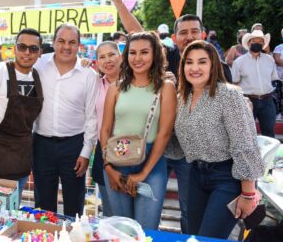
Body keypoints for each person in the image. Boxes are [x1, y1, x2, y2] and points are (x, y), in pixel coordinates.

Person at [175, 40, 263, 238]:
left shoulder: (229, 95)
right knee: (194, 236)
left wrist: (248, 193)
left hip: (227, 177)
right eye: (189, 62)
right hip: (196, 175)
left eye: (202, 62)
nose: (194, 68)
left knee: (209, 238)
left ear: (213, 64)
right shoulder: (182, 96)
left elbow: (244, 144)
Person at [100, 32, 177, 229]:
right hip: (116, 159)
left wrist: (143, 173)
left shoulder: (166, 87)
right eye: (132, 52)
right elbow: (106, 129)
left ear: (155, 55)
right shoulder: (116, 87)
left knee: (146, 229)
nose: (137, 58)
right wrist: (108, 167)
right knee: (122, 230)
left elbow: (165, 133)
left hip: (152, 163)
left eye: (144, 52)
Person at [32, 23, 98, 217]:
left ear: (79, 45)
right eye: (61, 41)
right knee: (43, 205)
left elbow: (91, 117)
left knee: (74, 205)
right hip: (41, 144)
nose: (66, 47)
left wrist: (86, 152)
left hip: (74, 146)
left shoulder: (89, 74)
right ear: (53, 42)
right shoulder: (38, 64)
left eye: (72, 42)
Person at [0, 28, 43, 198]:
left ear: (40, 52)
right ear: (14, 49)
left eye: (33, 48)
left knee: (13, 211)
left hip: (23, 158)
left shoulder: (38, 76)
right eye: (22, 47)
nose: (27, 52)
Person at [91, 41, 122, 217]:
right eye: (102, 57)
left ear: (121, 56)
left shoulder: (135, 82)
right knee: (111, 212)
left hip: (131, 149)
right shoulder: (95, 83)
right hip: (103, 149)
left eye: (111, 54)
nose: (107, 60)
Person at [232, 30, 278, 138]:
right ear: (248, 43)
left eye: (260, 41)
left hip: (268, 101)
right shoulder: (239, 62)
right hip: (248, 101)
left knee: (269, 133)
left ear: (263, 44)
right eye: (254, 41)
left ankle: (268, 155)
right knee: (247, 135)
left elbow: (273, 79)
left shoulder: (270, 60)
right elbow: (235, 84)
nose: (257, 43)